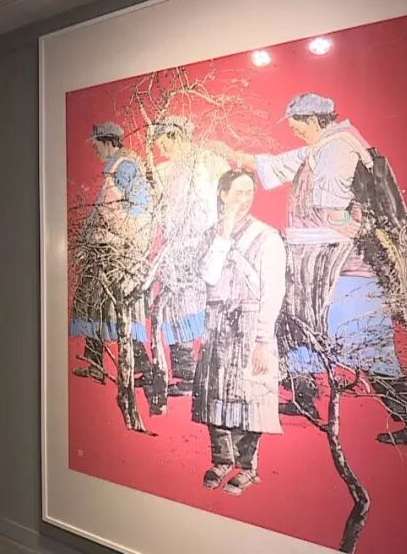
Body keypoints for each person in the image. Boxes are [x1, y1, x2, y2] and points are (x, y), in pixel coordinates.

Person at [218, 93, 407, 446]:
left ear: (315, 120)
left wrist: (351, 228)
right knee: (297, 327)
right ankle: (303, 397)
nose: (295, 131)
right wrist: (235, 155)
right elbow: (281, 164)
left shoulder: (337, 150)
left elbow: (334, 212)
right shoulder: (324, 145)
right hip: (316, 263)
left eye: (297, 125)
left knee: (365, 340)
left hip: (342, 265)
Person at [191, 169, 286, 495]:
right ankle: (221, 459)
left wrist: (262, 340)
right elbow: (208, 275)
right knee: (215, 393)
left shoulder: (267, 237)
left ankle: (247, 466)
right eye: (237, 193)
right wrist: (224, 233)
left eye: (249, 193)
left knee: (250, 395)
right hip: (218, 324)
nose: (244, 200)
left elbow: (273, 292)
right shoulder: (211, 235)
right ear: (223, 194)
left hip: (251, 324)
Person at [70, 121, 158, 400]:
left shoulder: (126, 167)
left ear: (108, 142)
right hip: (103, 247)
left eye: (96, 144)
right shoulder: (114, 168)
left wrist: (116, 231)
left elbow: (139, 211)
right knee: (92, 301)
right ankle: (95, 362)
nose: (94, 149)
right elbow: (100, 210)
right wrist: (86, 238)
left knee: (116, 306)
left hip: (118, 250)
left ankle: (141, 366)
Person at [148, 115, 229, 397]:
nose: (161, 149)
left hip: (205, 244)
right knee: (174, 306)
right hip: (176, 247)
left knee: (209, 305)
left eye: (163, 143)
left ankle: (215, 373)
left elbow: (228, 198)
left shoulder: (210, 161)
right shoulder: (163, 170)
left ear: (177, 136)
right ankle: (185, 373)